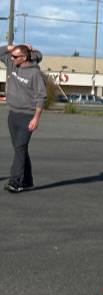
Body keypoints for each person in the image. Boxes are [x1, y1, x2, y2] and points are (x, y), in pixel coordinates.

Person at [3, 43, 46, 193]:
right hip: (13, 114)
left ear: (24, 57)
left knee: (20, 148)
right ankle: (27, 180)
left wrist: (36, 118)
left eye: (15, 56)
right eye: (12, 56)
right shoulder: (11, 63)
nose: (12, 58)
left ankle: (15, 182)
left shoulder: (35, 73)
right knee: (20, 149)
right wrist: (9, 48)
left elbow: (41, 97)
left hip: (27, 116)